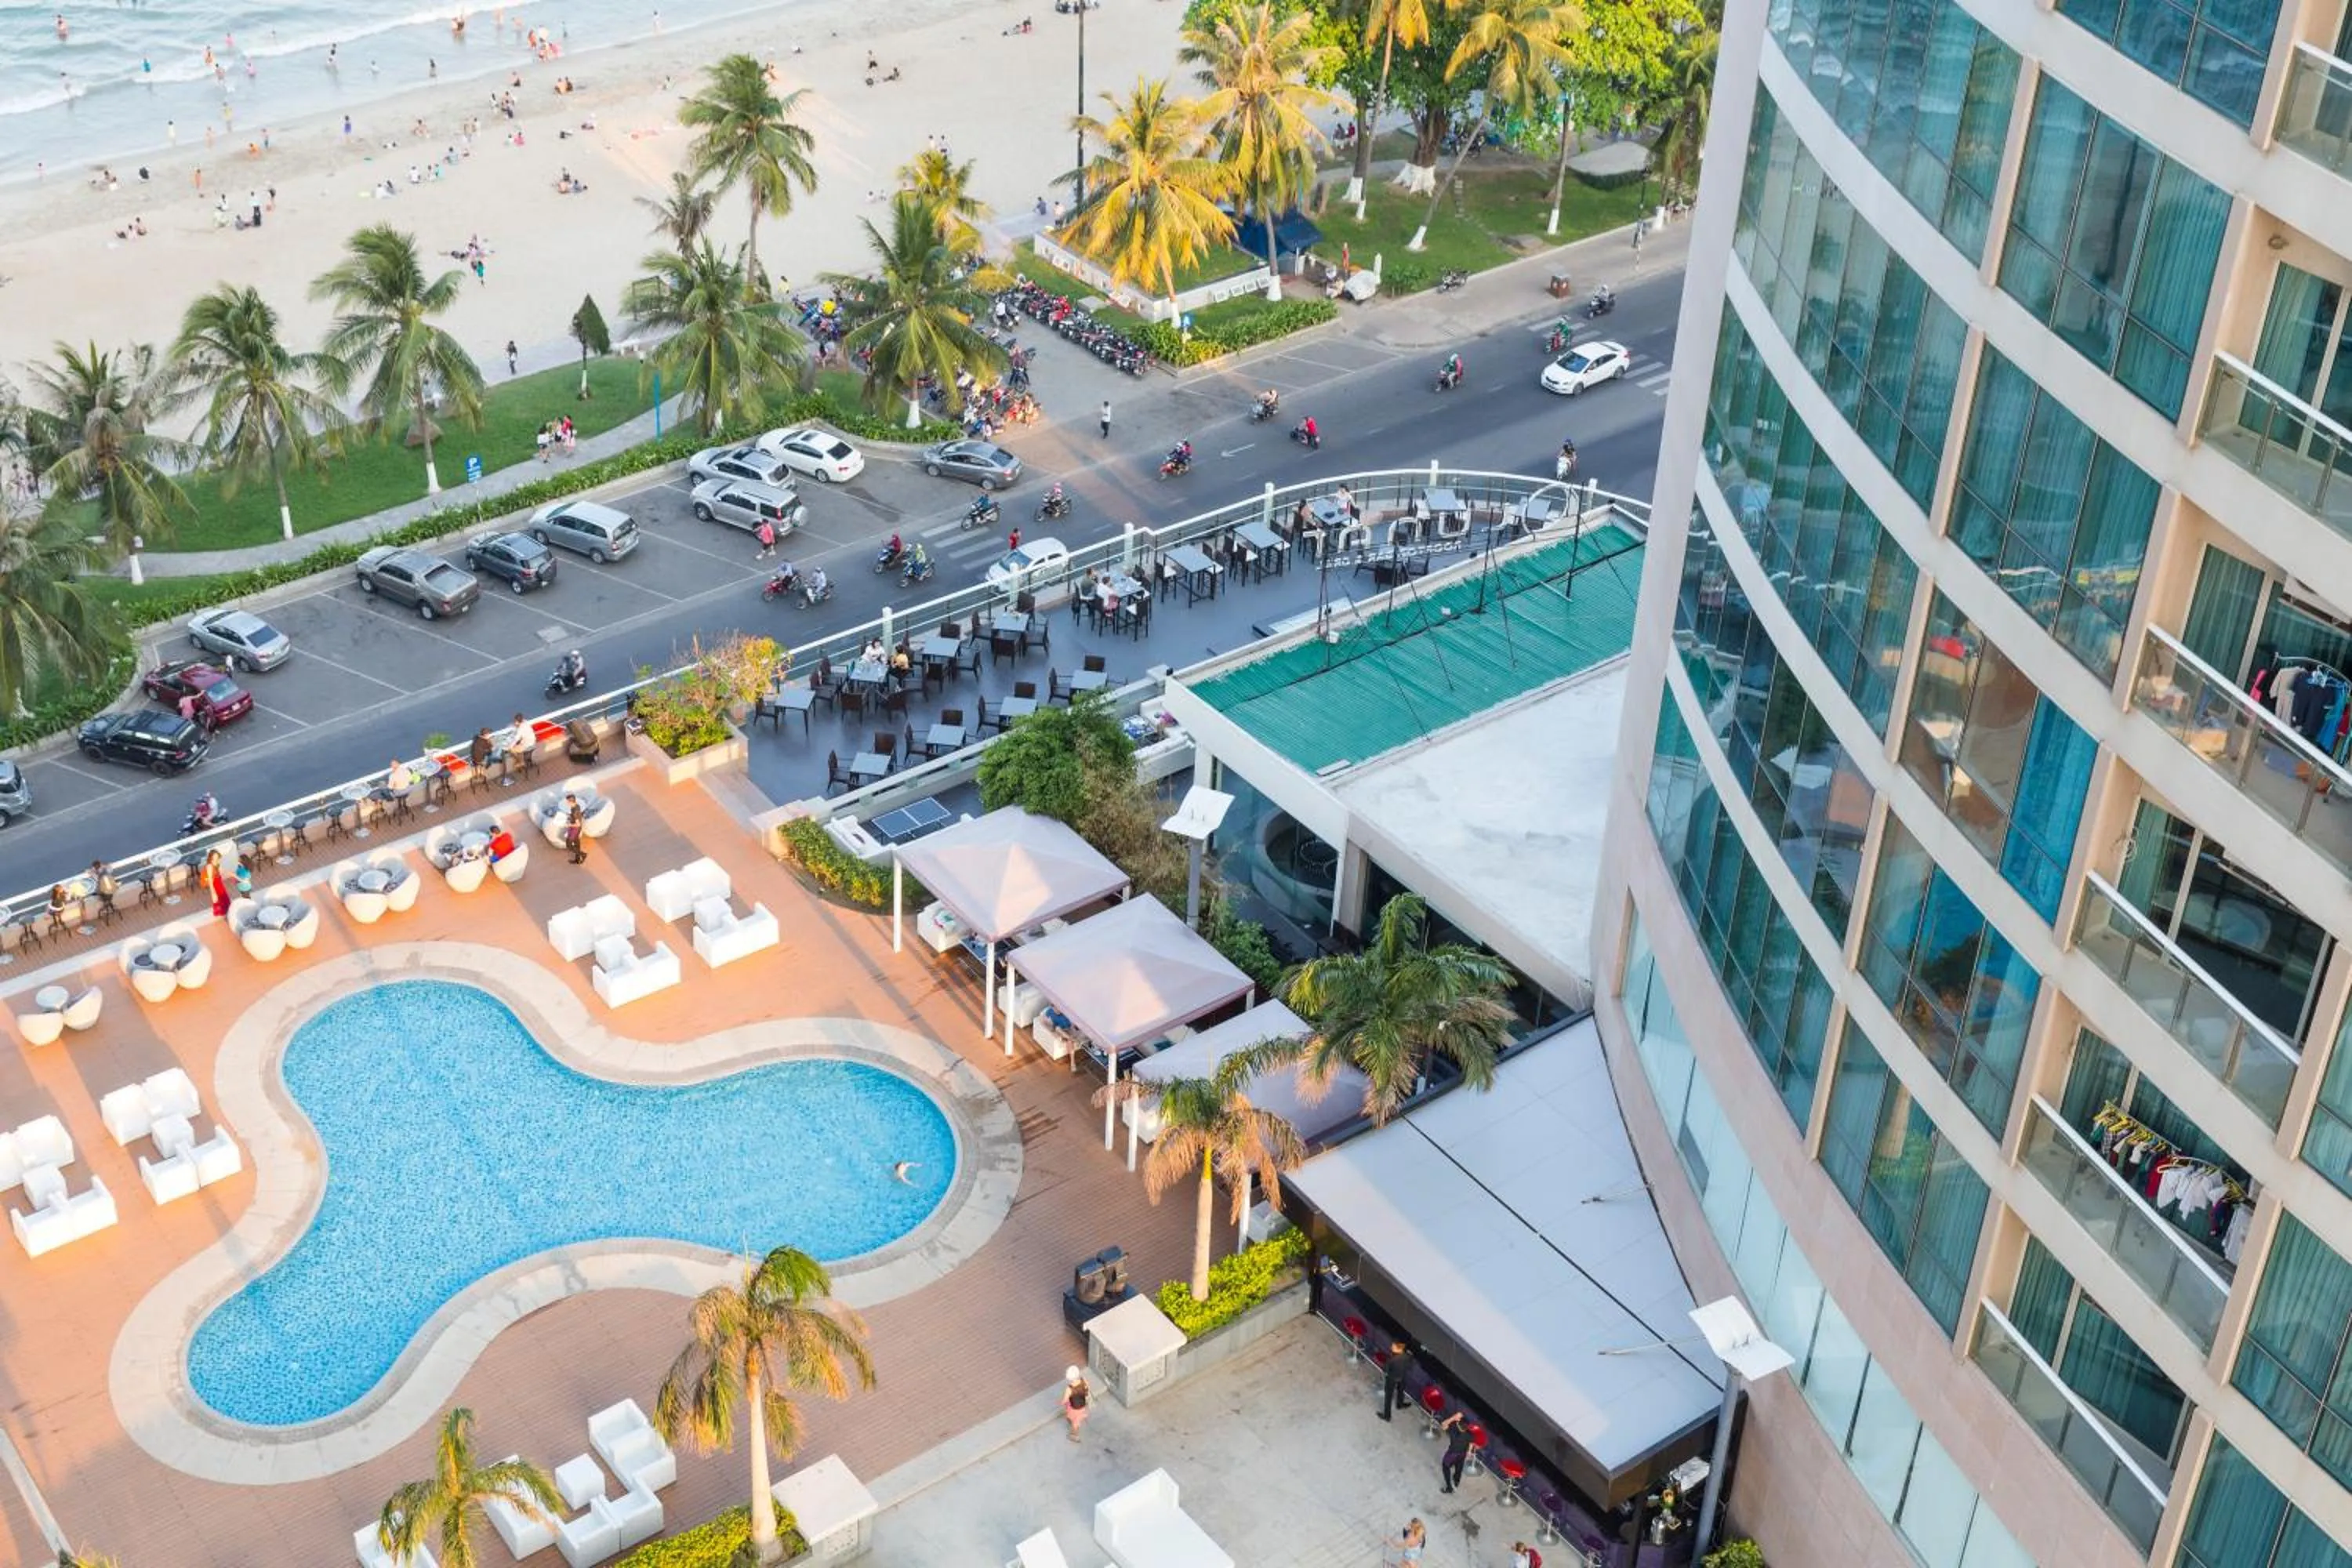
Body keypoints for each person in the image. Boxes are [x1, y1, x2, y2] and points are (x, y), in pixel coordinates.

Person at [1438, 1410, 1472, 1493]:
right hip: (1463, 1453)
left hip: (1453, 1454)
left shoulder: (1454, 1433)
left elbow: (1443, 1425)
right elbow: (1471, 1442)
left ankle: (1449, 1488)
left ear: (1459, 1426)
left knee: (1445, 1466)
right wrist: (1469, 1452)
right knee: (1459, 1467)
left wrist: (1453, 1418)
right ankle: (1456, 1481)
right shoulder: (1469, 1434)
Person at [1378, 1339, 1411, 1421]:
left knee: (1388, 1397)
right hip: (1402, 1377)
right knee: (1401, 1391)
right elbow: (1410, 1366)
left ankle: (1387, 1416)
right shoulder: (1408, 1356)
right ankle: (1400, 1404)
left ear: (1399, 1349)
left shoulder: (1392, 1359)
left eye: (1393, 1346)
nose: (1391, 1347)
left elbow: (1385, 1370)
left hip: (1392, 1379)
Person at [1061, 1367, 1091, 1442]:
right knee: (1078, 1416)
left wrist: (1062, 1402)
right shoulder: (1083, 1380)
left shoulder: (1069, 1389)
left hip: (1074, 1407)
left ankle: (1074, 1435)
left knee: (1075, 1423)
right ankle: (1076, 1418)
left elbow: (1065, 1400)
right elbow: (1087, 1388)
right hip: (1082, 1405)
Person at [562, 795, 587, 864]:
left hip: (575, 829)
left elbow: (578, 824)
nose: (567, 803)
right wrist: (570, 817)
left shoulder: (574, 811)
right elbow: (578, 816)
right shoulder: (576, 806)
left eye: (567, 802)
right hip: (577, 828)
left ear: (571, 802)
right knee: (577, 844)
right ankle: (578, 860)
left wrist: (568, 825)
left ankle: (583, 854)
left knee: (569, 845)